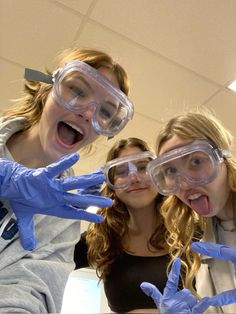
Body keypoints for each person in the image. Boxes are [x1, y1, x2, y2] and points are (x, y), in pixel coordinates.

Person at [0, 47, 133, 312]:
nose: (86, 113)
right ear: (47, 90)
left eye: (105, 112)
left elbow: (34, 289)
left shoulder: (65, 216)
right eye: (78, 91)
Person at [141, 108, 236, 313]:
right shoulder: (201, 248)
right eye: (170, 171)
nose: (183, 184)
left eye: (195, 161)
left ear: (222, 157)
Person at [74, 137, 174, 313]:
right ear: (111, 186)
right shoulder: (100, 238)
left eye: (143, 167)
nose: (134, 177)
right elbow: (42, 256)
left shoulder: (190, 234)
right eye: (121, 171)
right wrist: (68, 215)